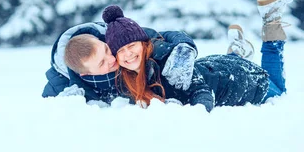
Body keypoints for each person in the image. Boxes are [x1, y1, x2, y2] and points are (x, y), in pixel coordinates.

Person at [102, 0, 295, 112]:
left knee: (278, 90)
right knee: (227, 68)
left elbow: (201, 91)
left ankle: (272, 21)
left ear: (143, 44)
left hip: (242, 81)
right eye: (121, 51)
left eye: (132, 46)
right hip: (218, 68)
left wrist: (197, 114)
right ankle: (237, 51)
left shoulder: (171, 63)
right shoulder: (126, 77)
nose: (128, 54)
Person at [42, 21, 199, 105]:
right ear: (85, 74)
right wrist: (65, 105)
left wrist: (183, 48)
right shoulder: (61, 85)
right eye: (102, 63)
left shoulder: (113, 35)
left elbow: (160, 35)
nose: (112, 59)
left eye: (106, 50)